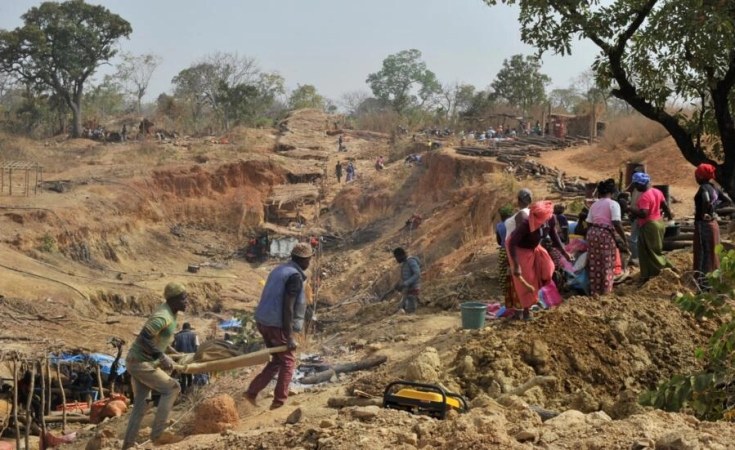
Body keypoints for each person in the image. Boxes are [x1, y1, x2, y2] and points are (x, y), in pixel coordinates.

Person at [245, 243, 311, 410]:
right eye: (309, 260)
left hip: (263, 321)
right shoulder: (294, 277)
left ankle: (252, 392)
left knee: (277, 360)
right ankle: (279, 401)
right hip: (276, 324)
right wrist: (289, 336)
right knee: (288, 361)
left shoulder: (279, 270)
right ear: (304, 260)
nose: (309, 263)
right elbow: (287, 307)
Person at [122, 283, 189, 449]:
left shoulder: (171, 313)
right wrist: (161, 356)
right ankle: (158, 435)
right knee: (172, 388)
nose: (186, 301)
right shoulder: (163, 316)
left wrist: (174, 353)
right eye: (183, 298)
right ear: (173, 300)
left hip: (137, 361)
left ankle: (128, 444)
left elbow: (159, 339)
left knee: (141, 404)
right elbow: (145, 337)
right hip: (140, 362)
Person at [507, 201, 556, 319]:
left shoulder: (550, 220)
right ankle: (526, 310)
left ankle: (536, 296)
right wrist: (516, 265)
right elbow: (512, 242)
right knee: (528, 277)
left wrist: (564, 252)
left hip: (534, 247)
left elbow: (554, 235)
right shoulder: (526, 224)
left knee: (548, 268)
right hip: (519, 249)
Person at [586, 179, 629, 295]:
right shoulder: (613, 204)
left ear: (599, 193)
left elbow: (589, 223)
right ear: (613, 192)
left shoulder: (594, 205)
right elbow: (616, 222)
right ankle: (605, 292)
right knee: (607, 263)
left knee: (595, 263)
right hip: (605, 234)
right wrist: (624, 239)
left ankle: (594, 291)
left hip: (592, 233)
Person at [692, 163, 731, 290]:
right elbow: (727, 201)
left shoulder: (703, 188)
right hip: (713, 224)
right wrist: (714, 210)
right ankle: (713, 282)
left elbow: (706, 201)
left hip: (703, 225)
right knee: (712, 253)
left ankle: (703, 286)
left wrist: (706, 212)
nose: (696, 178)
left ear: (701, 176)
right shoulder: (715, 187)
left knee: (703, 253)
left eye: (697, 176)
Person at [630, 172, 674, 283]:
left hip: (649, 226)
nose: (635, 187)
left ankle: (661, 271)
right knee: (655, 249)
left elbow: (644, 214)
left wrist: (629, 209)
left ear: (641, 184)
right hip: (659, 223)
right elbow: (665, 206)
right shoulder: (657, 192)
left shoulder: (645, 196)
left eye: (636, 184)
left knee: (647, 252)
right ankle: (654, 272)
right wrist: (669, 218)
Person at [626, 165, 646, 265]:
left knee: (634, 239)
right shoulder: (636, 188)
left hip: (639, 216)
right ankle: (637, 257)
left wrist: (631, 211)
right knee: (636, 238)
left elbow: (641, 206)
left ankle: (636, 258)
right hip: (635, 215)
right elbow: (634, 202)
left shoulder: (642, 190)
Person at [392, 247, 421, 314]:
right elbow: (405, 277)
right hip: (407, 289)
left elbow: (417, 274)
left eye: (396, 257)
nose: (396, 260)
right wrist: (398, 284)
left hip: (413, 288)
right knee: (402, 306)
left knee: (411, 309)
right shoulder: (405, 263)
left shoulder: (411, 261)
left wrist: (405, 283)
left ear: (400, 256)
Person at [173, 322, 199, 394]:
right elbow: (197, 347)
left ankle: (183, 392)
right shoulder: (194, 335)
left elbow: (174, 348)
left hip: (181, 358)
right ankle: (189, 392)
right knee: (190, 374)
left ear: (183, 328)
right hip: (191, 358)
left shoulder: (177, 336)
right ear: (189, 328)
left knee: (183, 375)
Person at [495, 206, 513, 305]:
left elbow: (498, 241)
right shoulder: (513, 225)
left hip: (503, 250)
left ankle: (505, 295)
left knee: (502, 273)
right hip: (513, 251)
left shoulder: (499, 226)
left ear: (501, 216)